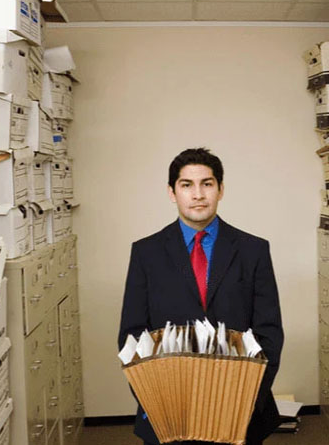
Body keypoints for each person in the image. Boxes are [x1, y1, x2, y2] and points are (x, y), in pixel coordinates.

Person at [118, 147, 284, 445]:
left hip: (240, 408)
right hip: (168, 408)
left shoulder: (253, 250)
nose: (198, 194)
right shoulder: (146, 252)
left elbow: (269, 332)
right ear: (172, 192)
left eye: (207, 184)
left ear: (220, 190)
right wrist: (152, 399)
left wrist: (248, 399)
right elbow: (132, 333)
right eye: (187, 185)